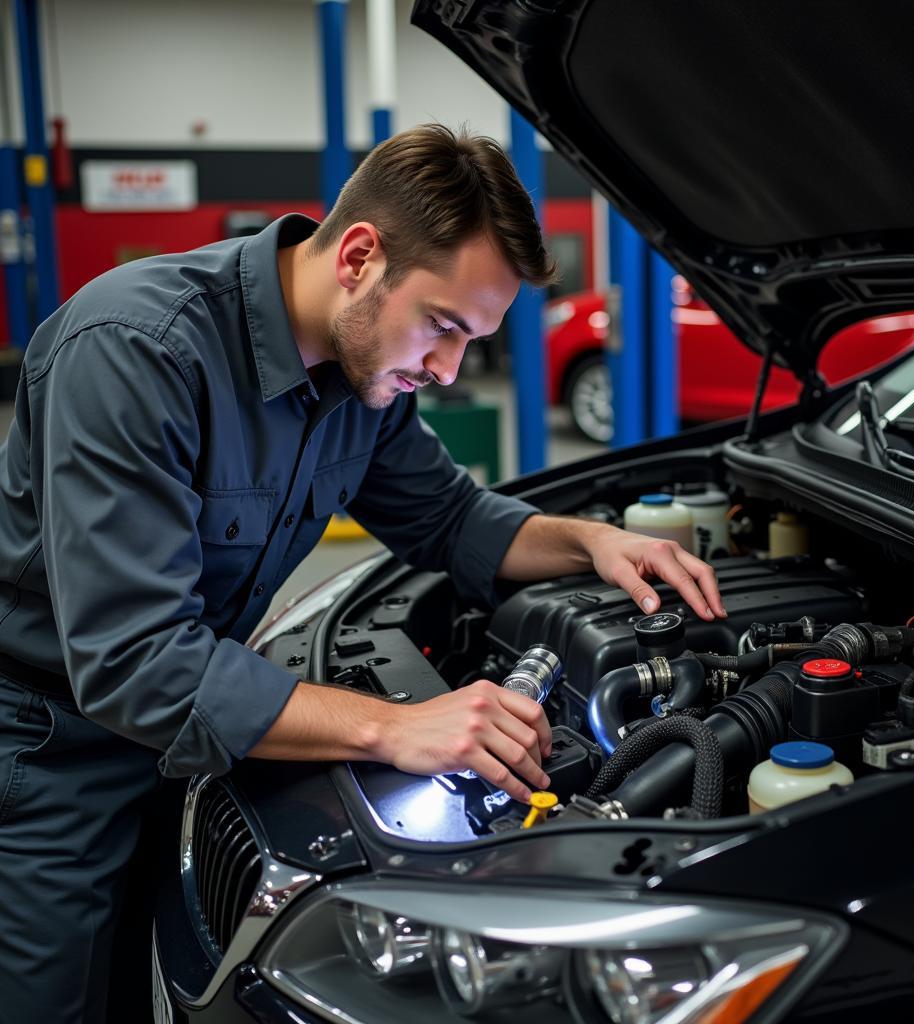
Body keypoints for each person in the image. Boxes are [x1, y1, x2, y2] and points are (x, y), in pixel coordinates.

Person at [0, 124, 725, 1022]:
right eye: (444, 327)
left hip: (182, 749)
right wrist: (398, 728)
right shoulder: (138, 350)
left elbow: (451, 520)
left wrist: (594, 543)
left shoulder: (366, 378)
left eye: (474, 342)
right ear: (357, 256)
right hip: (49, 755)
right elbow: (135, 663)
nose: (448, 369)